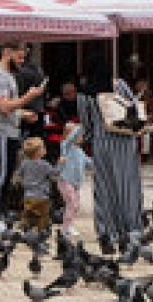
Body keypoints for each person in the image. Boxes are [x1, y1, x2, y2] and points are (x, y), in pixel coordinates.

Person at [77, 64, 147, 252]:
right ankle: (131, 233)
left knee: (105, 189)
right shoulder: (120, 84)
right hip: (126, 142)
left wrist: (89, 139)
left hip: (103, 145)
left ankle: (106, 234)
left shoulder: (84, 94)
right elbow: (133, 107)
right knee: (128, 188)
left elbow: (87, 125)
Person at [0, 43, 44, 223]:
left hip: (8, 131)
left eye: (23, 58)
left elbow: (6, 108)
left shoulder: (8, 75)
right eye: (19, 57)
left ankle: (0, 212)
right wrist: (29, 97)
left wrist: (23, 114)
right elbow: (4, 107)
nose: (21, 62)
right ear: (7, 53)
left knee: (7, 175)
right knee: (0, 176)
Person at [57, 124, 91, 239]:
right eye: (79, 135)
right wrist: (83, 125)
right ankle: (66, 228)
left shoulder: (80, 151)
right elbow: (71, 138)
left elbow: (89, 163)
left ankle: (69, 225)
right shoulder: (66, 146)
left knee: (75, 206)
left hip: (76, 183)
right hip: (65, 180)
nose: (81, 137)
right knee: (71, 203)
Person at [16, 137, 54, 232]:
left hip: (28, 196)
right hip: (42, 197)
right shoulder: (45, 164)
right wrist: (61, 165)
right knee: (43, 216)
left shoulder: (24, 163)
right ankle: (41, 232)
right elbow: (53, 174)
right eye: (43, 147)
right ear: (37, 152)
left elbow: (19, 175)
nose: (45, 149)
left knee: (28, 214)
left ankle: (25, 228)